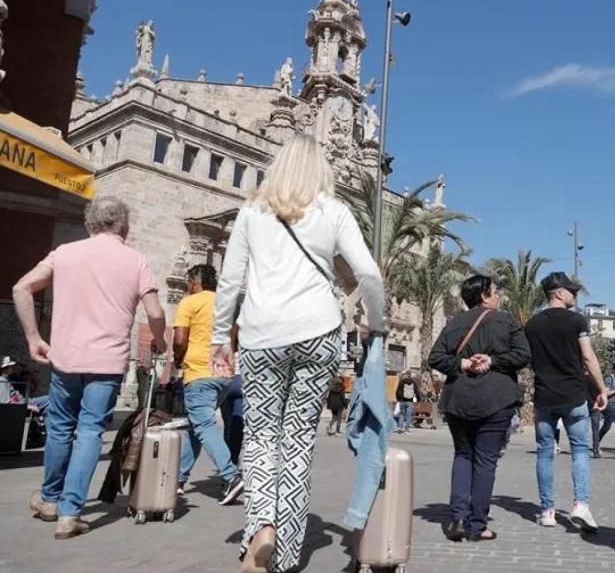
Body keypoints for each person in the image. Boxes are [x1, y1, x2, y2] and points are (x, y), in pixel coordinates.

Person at [210, 134, 386, 573]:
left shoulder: (252, 209)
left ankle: (260, 530)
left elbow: (231, 280)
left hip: (261, 337)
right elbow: (368, 272)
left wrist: (219, 336)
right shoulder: (334, 210)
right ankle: (286, 555)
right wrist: (376, 322)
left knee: (261, 436)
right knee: (297, 441)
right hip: (318, 333)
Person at [13, 195, 167, 540]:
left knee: (59, 428)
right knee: (90, 432)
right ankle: (70, 512)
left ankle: (50, 499)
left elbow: (21, 287)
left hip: (65, 358)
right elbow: (155, 313)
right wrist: (160, 341)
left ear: (90, 223)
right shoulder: (136, 260)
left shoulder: (65, 253)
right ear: (123, 226)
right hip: (107, 362)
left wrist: (33, 337)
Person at [428, 275, 530, 542]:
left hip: (458, 398)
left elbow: (435, 357)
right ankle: (477, 525)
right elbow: (523, 355)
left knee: (463, 455)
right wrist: (493, 360)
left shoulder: (454, 324)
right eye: (496, 291)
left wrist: (462, 365)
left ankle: (458, 518)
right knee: (486, 460)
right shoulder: (507, 321)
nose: (499, 296)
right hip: (496, 398)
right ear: (485, 294)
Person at [525, 272, 608, 533]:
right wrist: (602, 388)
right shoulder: (576, 320)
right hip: (573, 396)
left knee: (545, 452)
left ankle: (547, 511)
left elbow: (528, 360)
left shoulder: (532, 325)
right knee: (580, 450)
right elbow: (588, 357)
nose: (575, 295)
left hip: (544, 397)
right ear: (559, 292)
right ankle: (580, 505)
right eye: (572, 291)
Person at [173, 264, 244, 503]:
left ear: (195, 281)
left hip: (199, 373)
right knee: (197, 426)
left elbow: (180, 339)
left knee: (203, 425)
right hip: (224, 375)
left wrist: (177, 359)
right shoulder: (226, 304)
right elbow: (236, 339)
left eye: (188, 282)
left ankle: (231, 475)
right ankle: (178, 480)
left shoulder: (189, 302)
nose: (188, 287)